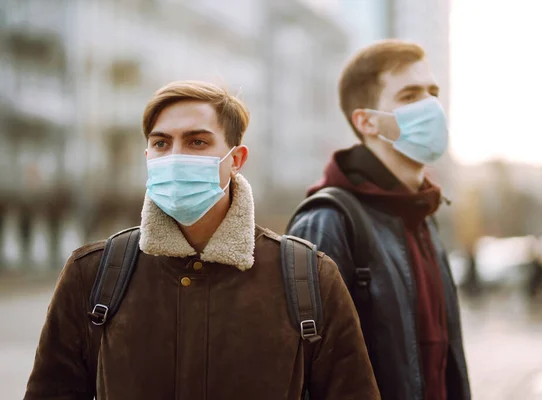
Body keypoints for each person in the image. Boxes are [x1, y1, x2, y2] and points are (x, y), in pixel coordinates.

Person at [24, 81, 380, 400]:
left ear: (236, 159)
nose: (176, 156)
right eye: (161, 143)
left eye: (197, 141)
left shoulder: (309, 277)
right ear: (148, 157)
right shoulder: (94, 274)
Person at [287, 40, 471, 400]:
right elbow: (305, 376)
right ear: (367, 120)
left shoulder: (424, 217)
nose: (432, 105)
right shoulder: (327, 222)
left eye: (433, 92)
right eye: (410, 95)